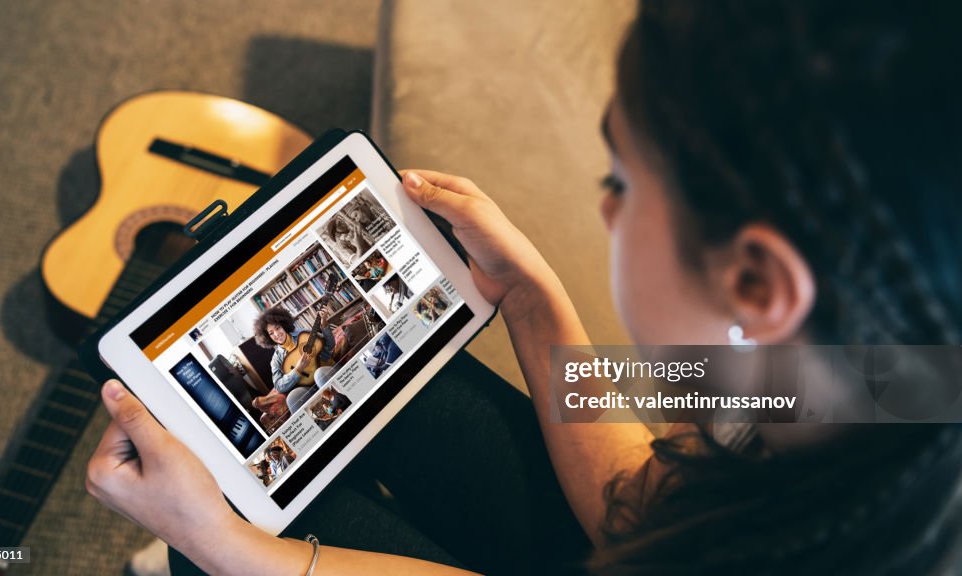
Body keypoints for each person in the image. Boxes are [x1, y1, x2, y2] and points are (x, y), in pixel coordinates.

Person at [86, 1, 962, 574]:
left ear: (756, 282)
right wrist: (535, 300)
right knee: (409, 384)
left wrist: (227, 546)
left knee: (225, 539)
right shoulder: (894, 367)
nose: (603, 204)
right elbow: (647, 505)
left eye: (620, 182)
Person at [253, 306, 336, 413]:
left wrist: (324, 324)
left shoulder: (303, 334)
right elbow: (278, 386)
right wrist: (297, 370)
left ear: (283, 325)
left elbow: (330, 345)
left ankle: (337, 407)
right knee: (293, 398)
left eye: (277, 328)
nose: (277, 334)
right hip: (308, 387)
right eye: (271, 333)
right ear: (267, 337)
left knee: (319, 373)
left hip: (325, 371)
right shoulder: (276, 359)